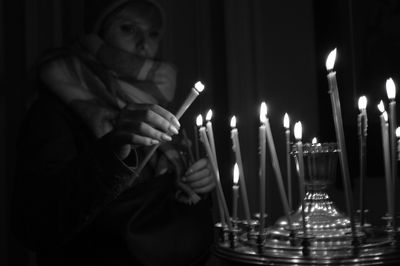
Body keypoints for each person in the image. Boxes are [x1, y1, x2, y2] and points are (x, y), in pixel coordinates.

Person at [12, 0, 216, 265]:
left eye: (153, 33)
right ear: (100, 33)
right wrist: (113, 151)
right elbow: (36, 224)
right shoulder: (57, 107)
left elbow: (167, 191)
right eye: (128, 29)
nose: (144, 44)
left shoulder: (158, 99)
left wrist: (197, 183)